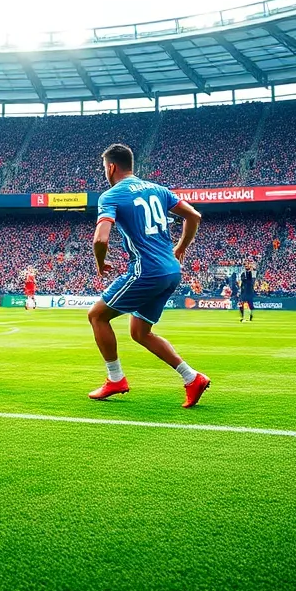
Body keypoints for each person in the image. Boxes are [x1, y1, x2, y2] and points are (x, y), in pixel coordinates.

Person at [86, 143, 209, 408]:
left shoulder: (111, 196)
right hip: (170, 271)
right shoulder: (158, 189)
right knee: (140, 332)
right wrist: (181, 248)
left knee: (96, 316)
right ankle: (192, 378)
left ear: (111, 167)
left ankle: (115, 379)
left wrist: (100, 262)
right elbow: (194, 215)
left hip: (147, 271)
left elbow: (100, 239)